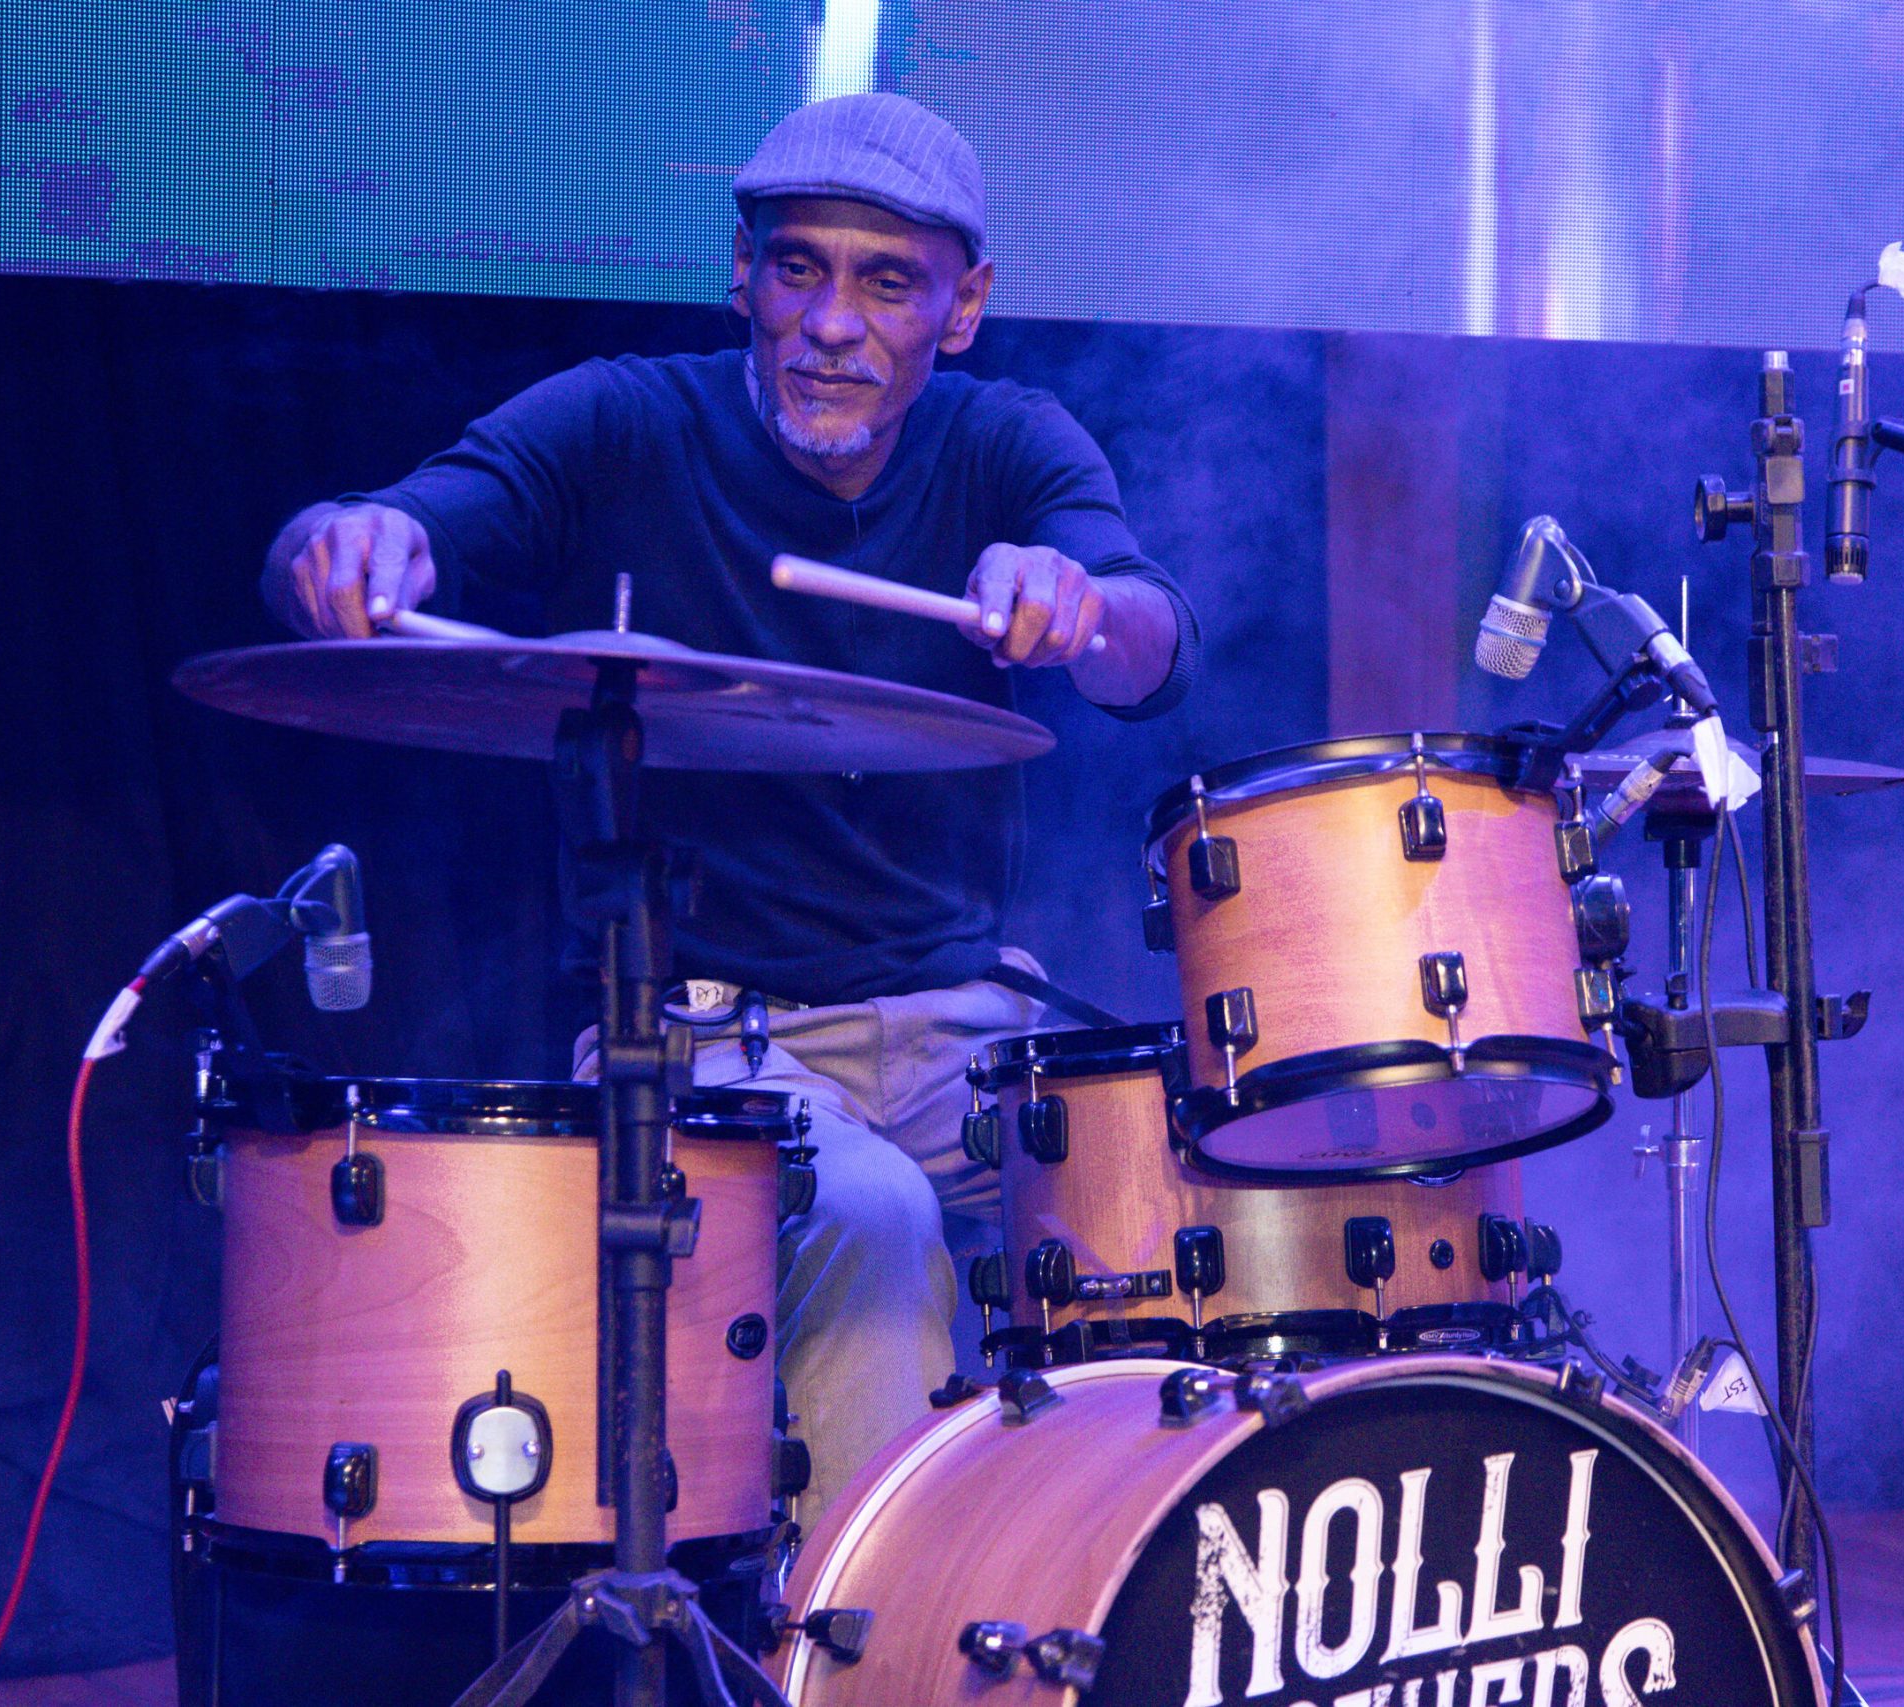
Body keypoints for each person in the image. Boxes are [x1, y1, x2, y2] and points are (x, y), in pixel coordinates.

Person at [260, 92, 1199, 1528]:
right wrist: (349, 542)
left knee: (1188, 1180)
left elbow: (1149, 641)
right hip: (702, 1037)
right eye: (797, 269)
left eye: (887, 283)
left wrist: (1083, 605)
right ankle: (862, 1635)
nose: (831, 324)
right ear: (743, 275)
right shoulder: (625, 421)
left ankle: (1129, 1584)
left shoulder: (1008, 443)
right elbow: (369, 532)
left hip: (965, 1033)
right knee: (873, 1216)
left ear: (962, 309)